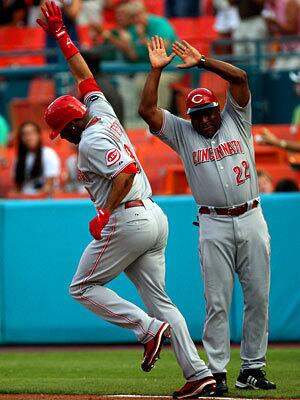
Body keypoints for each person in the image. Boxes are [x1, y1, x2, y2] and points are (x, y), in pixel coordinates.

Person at [36, 3, 216, 398]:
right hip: (153, 216)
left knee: (82, 287)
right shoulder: (101, 112)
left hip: (128, 216)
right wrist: (63, 36)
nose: (62, 138)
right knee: (162, 301)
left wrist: (103, 212)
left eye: (61, 132)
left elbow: (125, 173)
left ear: (69, 128)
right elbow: (85, 76)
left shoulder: (89, 141)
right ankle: (199, 373)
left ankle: (147, 330)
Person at [138, 36, 277, 395]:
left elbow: (241, 78)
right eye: (197, 115)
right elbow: (148, 113)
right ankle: (216, 371)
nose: (204, 119)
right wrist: (156, 71)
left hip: (251, 215)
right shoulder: (184, 134)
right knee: (217, 301)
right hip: (213, 221)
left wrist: (202, 62)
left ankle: (253, 368)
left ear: (219, 108)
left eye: (209, 111)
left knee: (258, 296)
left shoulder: (237, 118)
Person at [13, 121, 60, 196]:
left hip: (43, 199)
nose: (28, 137)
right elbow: (17, 186)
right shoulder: (18, 158)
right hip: (24, 199)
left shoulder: (48, 153)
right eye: (24, 135)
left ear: (38, 135)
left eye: (31, 133)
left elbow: (49, 185)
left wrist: (32, 199)